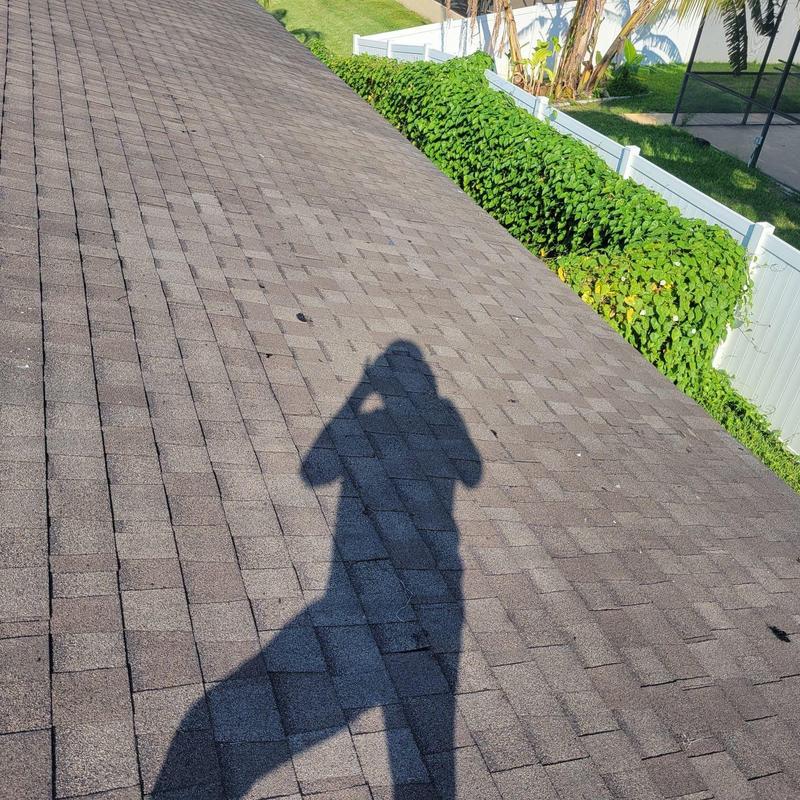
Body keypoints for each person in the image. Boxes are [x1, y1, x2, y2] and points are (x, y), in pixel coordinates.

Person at [153, 340, 483, 799]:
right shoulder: (444, 411)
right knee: (430, 738)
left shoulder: (388, 412)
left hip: (361, 589)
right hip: (443, 575)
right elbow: (472, 474)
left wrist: (358, 395)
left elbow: (314, 471)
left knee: (205, 724)